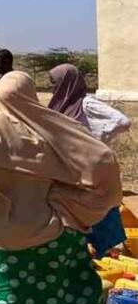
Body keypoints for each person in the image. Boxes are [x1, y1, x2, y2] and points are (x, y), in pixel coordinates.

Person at [0, 71, 121, 304]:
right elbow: (102, 159)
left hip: (8, 234)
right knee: (71, 295)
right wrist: (67, 203)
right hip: (57, 229)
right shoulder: (49, 125)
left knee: (13, 301)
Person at [48, 63, 128, 258]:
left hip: (90, 168)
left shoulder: (86, 104)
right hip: (71, 170)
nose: (52, 88)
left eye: (55, 83)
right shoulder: (58, 106)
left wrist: (96, 141)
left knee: (99, 208)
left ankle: (109, 254)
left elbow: (122, 121)